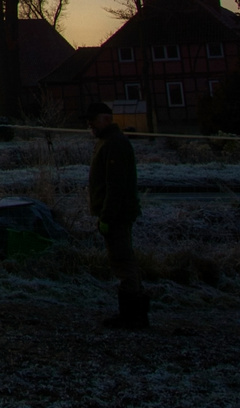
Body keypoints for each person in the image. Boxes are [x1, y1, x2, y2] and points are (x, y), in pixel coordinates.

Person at [87, 102, 146, 329]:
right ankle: (133, 313)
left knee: (123, 261)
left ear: (107, 119)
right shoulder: (109, 142)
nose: (90, 124)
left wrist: (107, 217)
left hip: (117, 215)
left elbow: (116, 185)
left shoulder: (114, 145)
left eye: (94, 119)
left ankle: (132, 315)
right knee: (122, 260)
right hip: (116, 214)